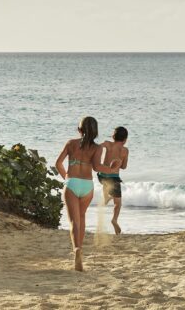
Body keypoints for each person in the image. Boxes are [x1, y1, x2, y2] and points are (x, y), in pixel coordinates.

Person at [55, 116, 115, 271]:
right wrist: (112, 169)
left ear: (79, 130)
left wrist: (66, 179)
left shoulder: (70, 144)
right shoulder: (97, 148)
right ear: (95, 132)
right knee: (81, 219)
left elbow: (58, 163)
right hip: (87, 186)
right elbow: (97, 167)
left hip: (72, 183)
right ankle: (80, 249)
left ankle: (76, 250)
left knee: (74, 222)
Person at [97, 126, 129, 235]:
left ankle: (107, 198)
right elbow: (124, 166)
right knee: (118, 203)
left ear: (113, 136)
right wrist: (119, 162)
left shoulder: (108, 144)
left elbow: (97, 148)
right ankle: (114, 219)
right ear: (125, 139)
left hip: (102, 175)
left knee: (106, 197)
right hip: (114, 178)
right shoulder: (125, 150)